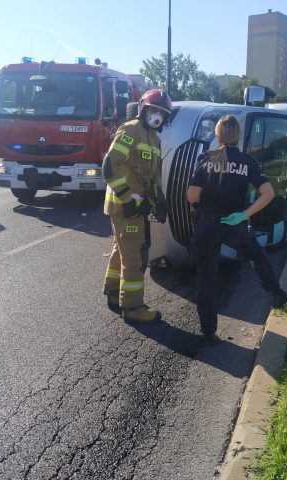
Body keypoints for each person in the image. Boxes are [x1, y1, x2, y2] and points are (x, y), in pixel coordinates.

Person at [187, 115, 287, 345]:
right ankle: (276, 293)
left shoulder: (205, 159)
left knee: (206, 280)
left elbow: (192, 195)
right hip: (235, 224)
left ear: (217, 135)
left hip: (207, 225)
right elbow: (269, 194)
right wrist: (244, 215)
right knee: (257, 254)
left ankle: (209, 333)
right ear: (238, 136)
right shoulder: (247, 162)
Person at [102, 89, 171, 323]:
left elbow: (152, 179)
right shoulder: (131, 130)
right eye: (154, 111)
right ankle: (133, 308)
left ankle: (113, 293)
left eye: (162, 113)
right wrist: (127, 200)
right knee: (134, 258)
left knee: (121, 251)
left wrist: (159, 202)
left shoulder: (154, 139)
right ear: (143, 109)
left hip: (134, 208)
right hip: (125, 207)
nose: (157, 116)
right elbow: (111, 166)